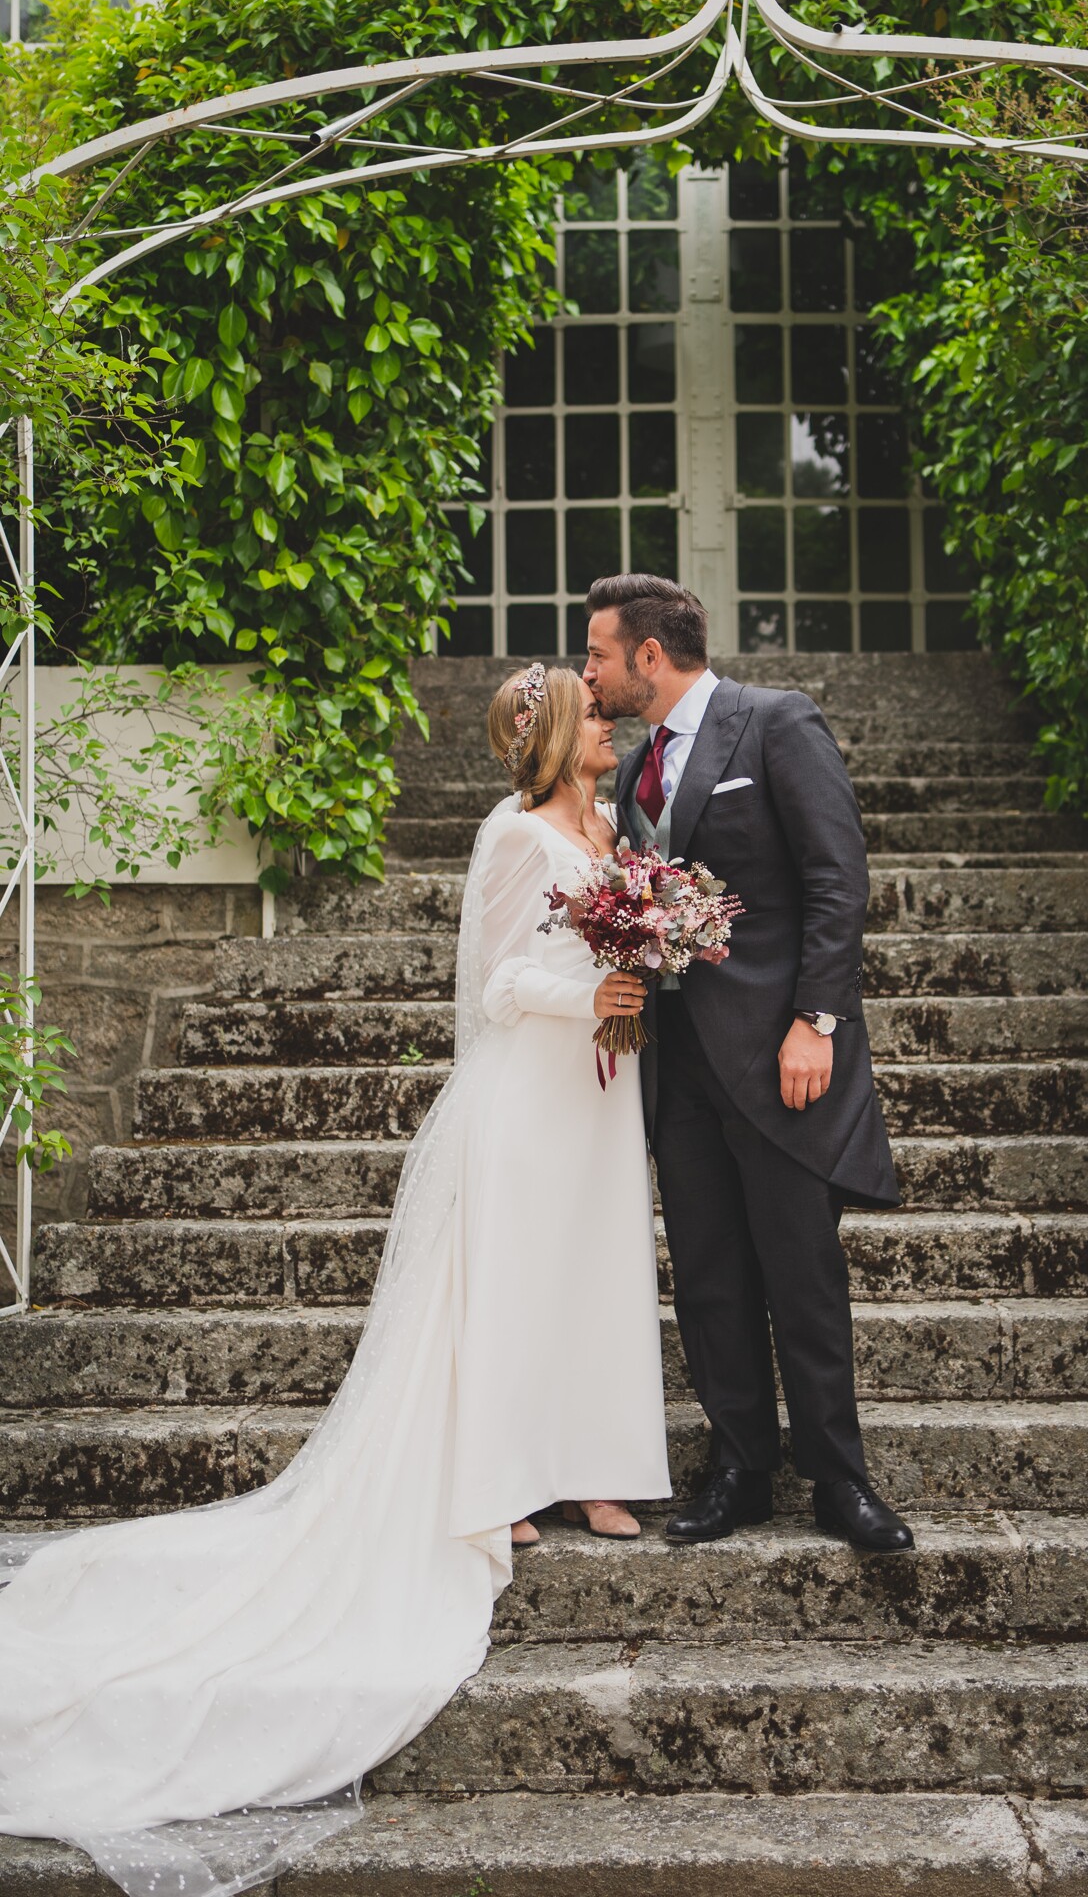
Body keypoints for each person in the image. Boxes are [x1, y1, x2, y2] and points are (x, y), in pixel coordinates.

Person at [0, 664, 670, 1897]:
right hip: (530, 1094)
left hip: (601, 1099)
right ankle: (508, 1472)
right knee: (517, 1285)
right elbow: (496, 985)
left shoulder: (615, 825)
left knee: (590, 1277)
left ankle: (590, 1467)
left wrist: (640, 974)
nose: (611, 719)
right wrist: (603, 989)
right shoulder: (512, 833)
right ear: (556, 734)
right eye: (593, 707)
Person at [584, 574, 915, 1555]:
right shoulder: (637, 765)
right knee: (710, 1275)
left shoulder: (774, 723)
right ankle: (738, 1466)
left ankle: (838, 1476)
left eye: (599, 651)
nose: (589, 670)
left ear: (650, 652)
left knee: (800, 1270)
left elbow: (834, 875)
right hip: (677, 1064)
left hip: (780, 1057)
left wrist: (817, 1018)